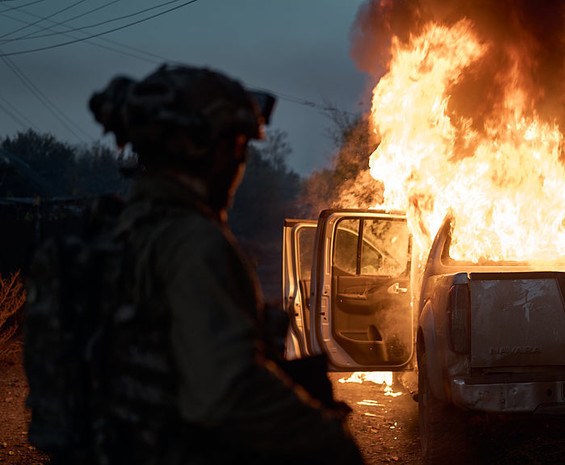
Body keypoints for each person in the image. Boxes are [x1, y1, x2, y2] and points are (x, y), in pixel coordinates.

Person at [85, 64, 363, 464]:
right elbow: (228, 392)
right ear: (205, 152)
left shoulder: (125, 229)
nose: (240, 164)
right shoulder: (193, 243)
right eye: (237, 148)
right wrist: (329, 440)